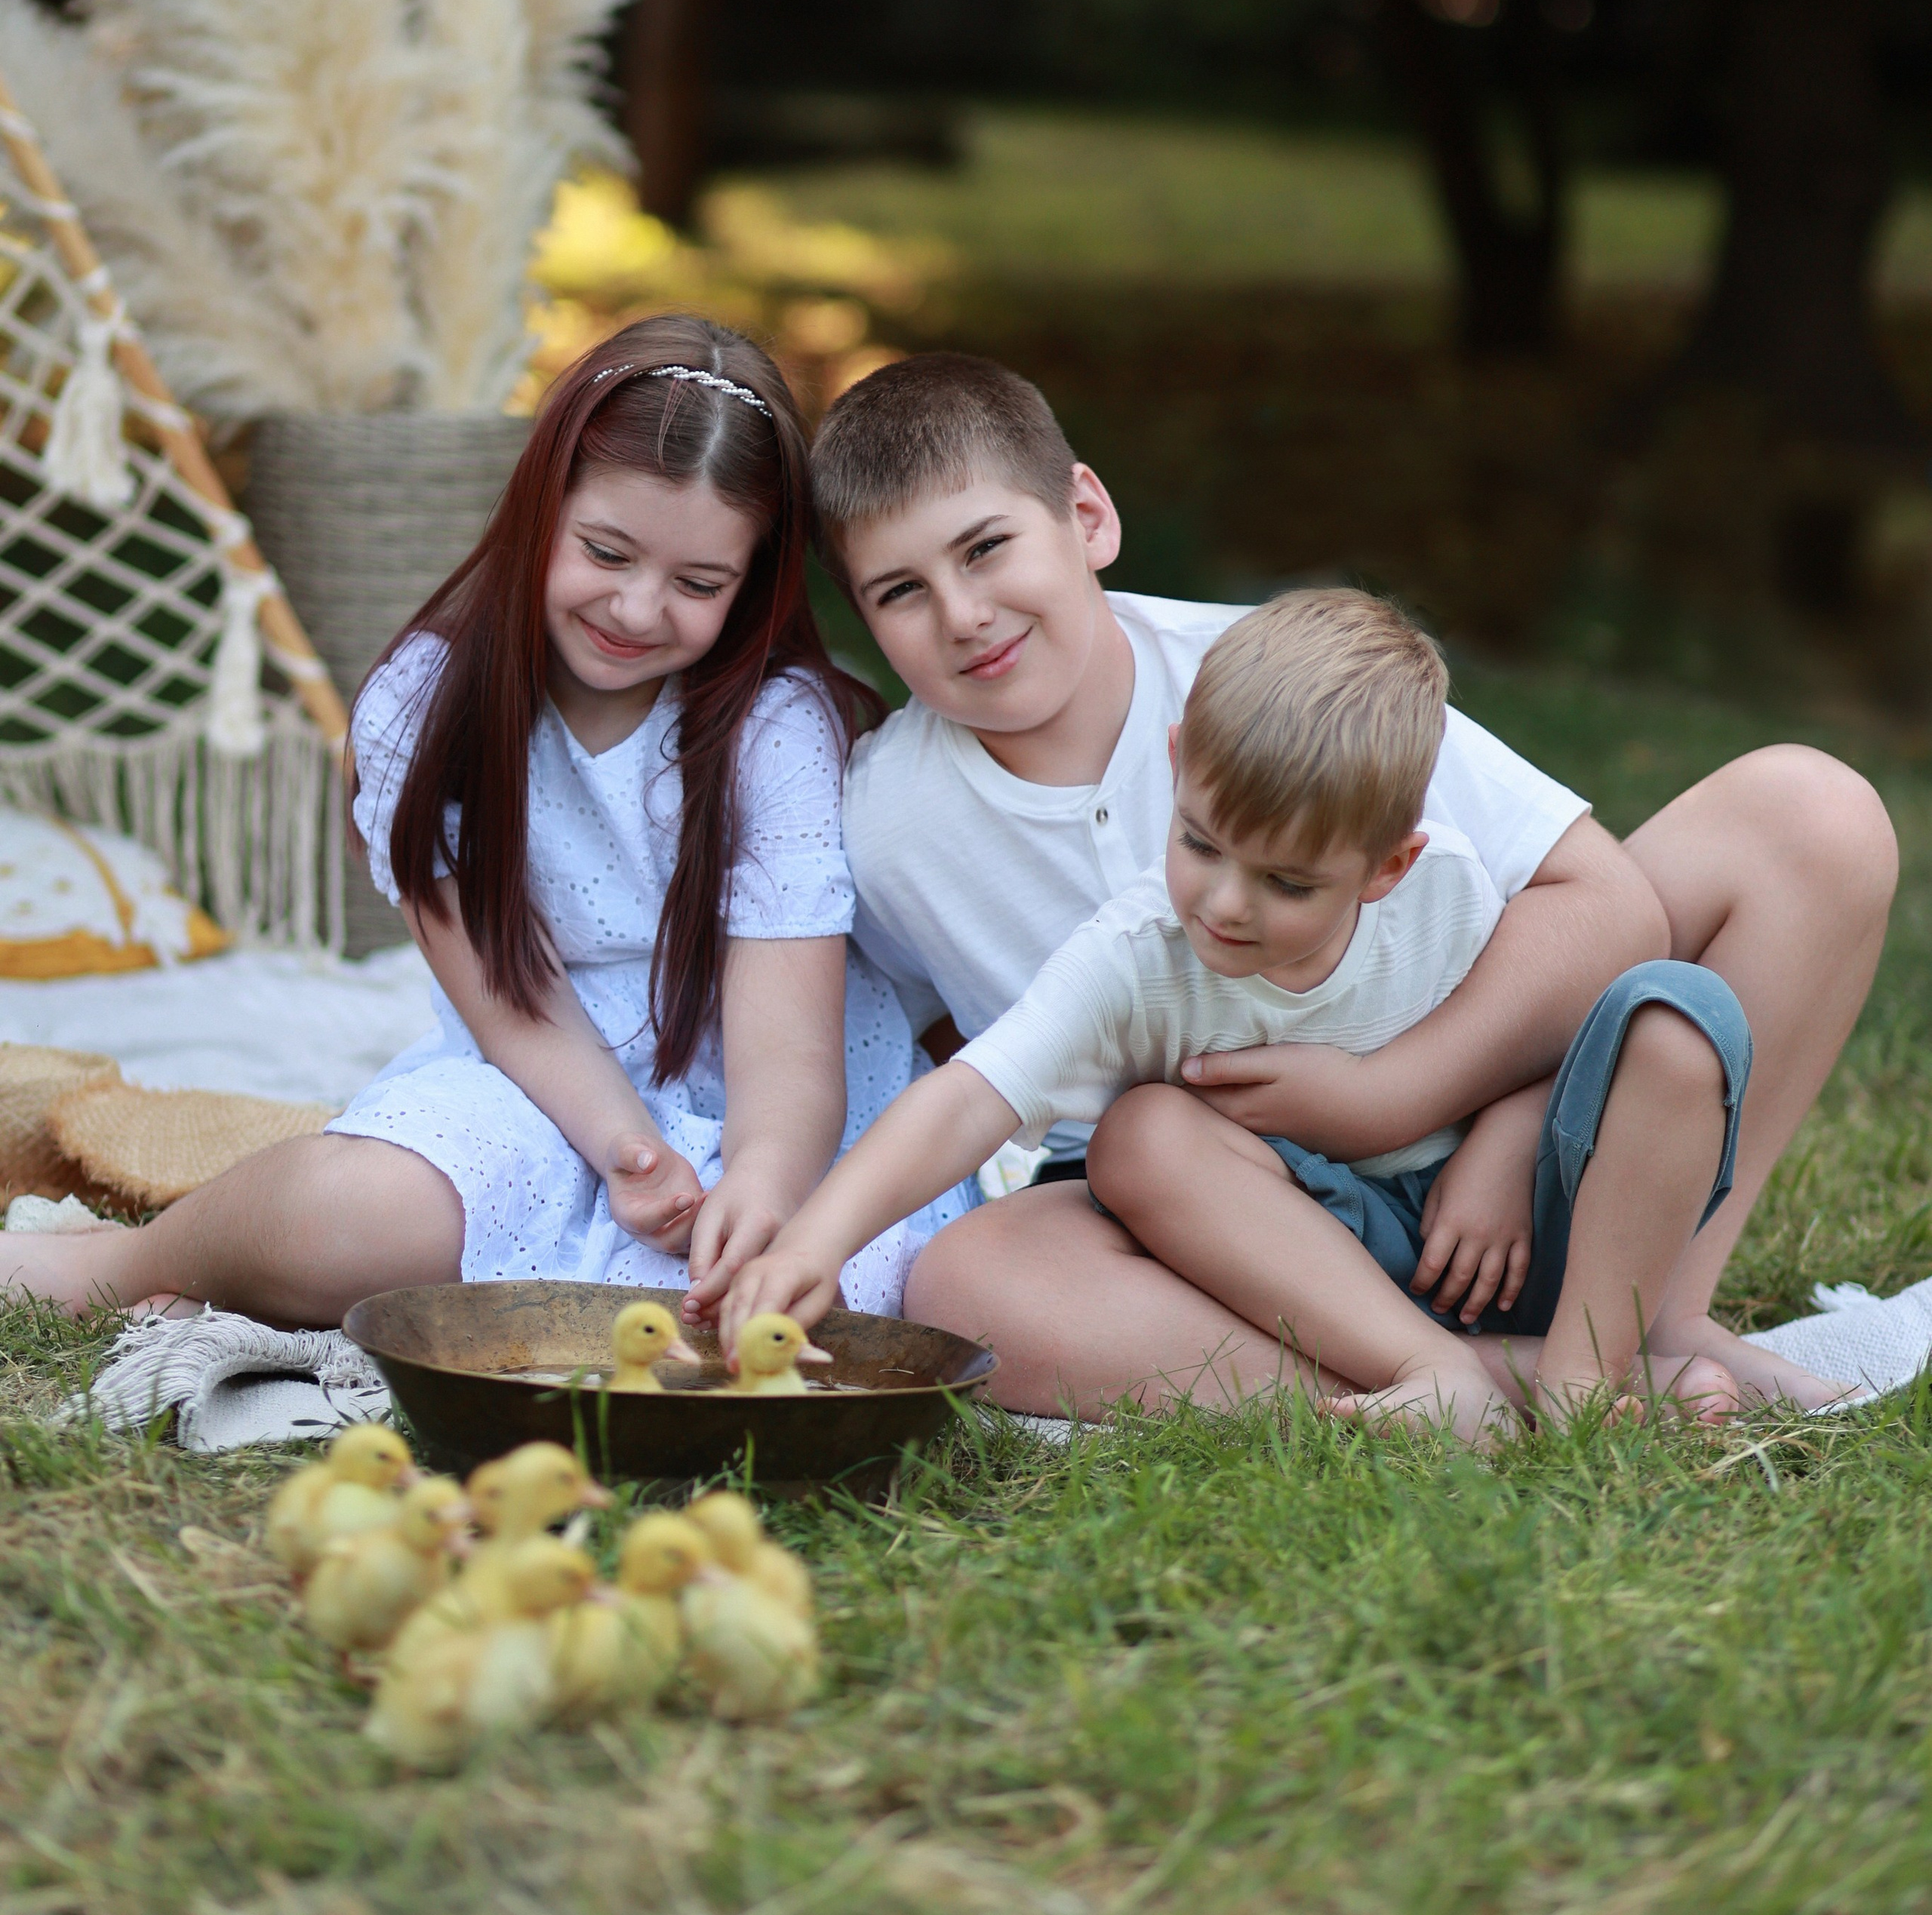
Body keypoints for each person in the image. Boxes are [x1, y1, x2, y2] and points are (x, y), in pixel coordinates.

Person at [731, 352, 1894, 1417]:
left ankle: (1659, 1307)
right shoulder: (883, 820)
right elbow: (939, 1053)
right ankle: (1505, 1383)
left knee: (1810, 813)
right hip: (1219, 1226)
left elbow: (1607, 904)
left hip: (1501, 1147)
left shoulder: (1280, 681)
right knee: (971, 1281)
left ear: (1086, 516)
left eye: (987, 549)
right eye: (901, 592)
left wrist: (1415, 1098)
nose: (964, 614)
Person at [2, 316, 971, 1325]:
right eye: (607, 552)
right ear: (540, 508)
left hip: (788, 1121)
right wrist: (626, 1149)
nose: (640, 609)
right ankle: (123, 1263)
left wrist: (764, 1191)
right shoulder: (425, 706)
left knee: (874, 1294)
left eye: (699, 584)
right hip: (541, 1087)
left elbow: (792, 1057)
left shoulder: (775, 730)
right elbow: (513, 1000)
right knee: (348, 1215)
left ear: (754, 583)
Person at [719, 588, 1753, 1441]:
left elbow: (1555, 1023)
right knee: (1144, 1137)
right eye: (1202, 844)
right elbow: (971, 1097)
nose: (1223, 904)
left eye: (1288, 884)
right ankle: (1460, 1381)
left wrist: (1507, 1127)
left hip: (1517, 1232)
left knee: (1680, 1017)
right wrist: (815, 1242)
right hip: (1308, 1264)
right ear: (1177, 764)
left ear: (1390, 864)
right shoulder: (1137, 955)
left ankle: (1578, 1379)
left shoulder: (1453, 893)